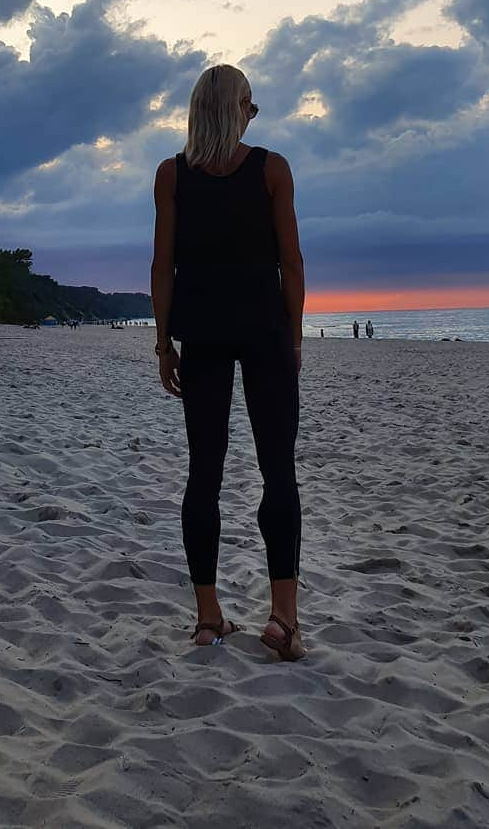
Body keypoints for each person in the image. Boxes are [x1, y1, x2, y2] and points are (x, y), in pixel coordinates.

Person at [151, 64, 306, 661]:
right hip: (264, 332)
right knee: (278, 471)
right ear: (233, 108)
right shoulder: (271, 169)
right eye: (250, 102)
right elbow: (291, 263)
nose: (254, 112)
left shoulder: (172, 176)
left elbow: (162, 266)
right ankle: (282, 621)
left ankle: (209, 619)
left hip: (204, 335)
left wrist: (165, 342)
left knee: (204, 475)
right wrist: (293, 337)